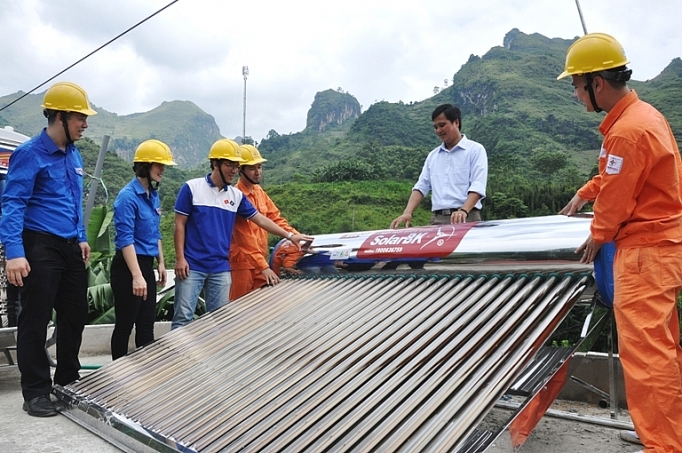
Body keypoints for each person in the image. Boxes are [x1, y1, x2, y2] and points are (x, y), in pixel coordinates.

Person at [557, 33, 682, 452]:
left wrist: (597, 235)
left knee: (647, 357)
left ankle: (664, 444)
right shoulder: (642, 117)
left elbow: (617, 195)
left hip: (645, 253)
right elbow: (617, 176)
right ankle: (663, 433)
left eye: (577, 84)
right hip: (661, 247)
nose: (575, 93)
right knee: (661, 349)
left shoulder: (627, 131)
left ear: (598, 82)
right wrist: (584, 192)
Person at [0, 81, 96, 417]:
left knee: (74, 316)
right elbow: (12, 203)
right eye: (79, 118)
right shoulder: (29, 153)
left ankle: (67, 382)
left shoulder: (74, 153)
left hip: (70, 247)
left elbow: (74, 200)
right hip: (39, 245)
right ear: (59, 116)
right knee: (35, 320)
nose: (85, 124)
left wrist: (82, 236)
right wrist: (14, 252)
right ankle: (36, 392)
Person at [172, 139, 312, 329]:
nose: (234, 170)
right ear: (215, 163)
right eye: (230, 165)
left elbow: (263, 219)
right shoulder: (192, 188)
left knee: (222, 320)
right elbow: (179, 224)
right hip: (197, 265)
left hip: (221, 267)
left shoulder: (236, 196)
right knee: (183, 318)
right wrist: (180, 258)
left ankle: (217, 357)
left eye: (236, 166)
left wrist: (291, 236)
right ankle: (180, 359)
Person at [110, 140, 176, 360]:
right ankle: (116, 375)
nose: (162, 170)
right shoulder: (127, 197)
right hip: (128, 267)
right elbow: (125, 240)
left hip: (146, 265)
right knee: (125, 324)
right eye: (159, 165)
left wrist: (161, 263)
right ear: (145, 166)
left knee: (146, 324)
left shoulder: (152, 195)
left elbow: (155, 233)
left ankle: (145, 373)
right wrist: (137, 276)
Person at [390, 104, 488, 229]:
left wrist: (463, 210)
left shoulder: (475, 150)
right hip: (438, 220)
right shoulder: (433, 156)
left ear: (456, 123)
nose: (438, 131)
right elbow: (421, 186)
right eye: (435, 127)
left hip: (467, 217)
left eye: (442, 125)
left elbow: (477, 185)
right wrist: (407, 212)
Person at [229, 144, 300, 300]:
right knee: (238, 310)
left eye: (259, 167)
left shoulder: (259, 192)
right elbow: (245, 239)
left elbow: (275, 218)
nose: (258, 172)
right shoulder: (236, 196)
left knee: (264, 304)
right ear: (240, 170)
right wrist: (263, 267)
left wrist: (296, 236)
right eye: (252, 168)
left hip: (261, 261)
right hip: (243, 263)